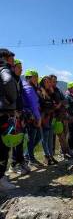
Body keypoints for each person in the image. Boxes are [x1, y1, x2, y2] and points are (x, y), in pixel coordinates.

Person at [0, 48, 18, 190]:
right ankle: (1, 180)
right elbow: (8, 81)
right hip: (3, 114)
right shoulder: (4, 69)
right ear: (5, 58)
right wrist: (11, 100)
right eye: (11, 59)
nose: (13, 62)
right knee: (3, 147)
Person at [9, 59, 30, 175]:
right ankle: (14, 164)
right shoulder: (9, 80)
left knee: (19, 139)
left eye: (21, 68)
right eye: (19, 67)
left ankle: (18, 162)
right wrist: (14, 111)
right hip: (12, 114)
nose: (21, 70)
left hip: (19, 114)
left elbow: (19, 98)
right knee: (15, 139)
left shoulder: (19, 81)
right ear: (13, 67)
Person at [22, 69, 42, 166]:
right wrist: (39, 118)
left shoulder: (29, 87)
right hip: (32, 117)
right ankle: (31, 159)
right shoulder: (29, 88)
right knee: (33, 138)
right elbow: (34, 105)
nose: (36, 79)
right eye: (35, 77)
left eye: (37, 77)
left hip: (30, 115)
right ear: (29, 78)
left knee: (37, 137)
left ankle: (27, 155)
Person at [38, 76, 58, 165]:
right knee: (44, 138)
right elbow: (42, 105)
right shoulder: (40, 92)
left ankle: (50, 155)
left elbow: (55, 102)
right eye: (46, 82)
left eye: (49, 82)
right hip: (44, 117)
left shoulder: (50, 92)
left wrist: (53, 93)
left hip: (50, 117)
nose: (49, 84)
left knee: (50, 138)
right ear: (42, 82)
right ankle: (47, 156)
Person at [50, 75, 70, 159]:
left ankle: (64, 152)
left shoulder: (58, 90)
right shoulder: (48, 90)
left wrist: (60, 103)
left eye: (56, 81)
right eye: (53, 81)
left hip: (61, 115)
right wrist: (59, 103)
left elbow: (65, 101)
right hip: (53, 116)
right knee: (52, 136)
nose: (55, 83)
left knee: (63, 134)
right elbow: (53, 103)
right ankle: (51, 154)